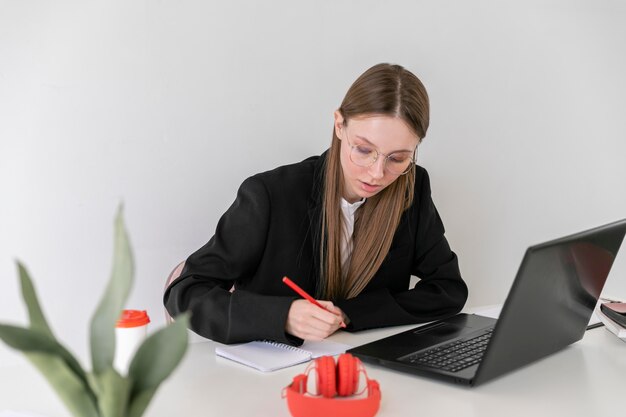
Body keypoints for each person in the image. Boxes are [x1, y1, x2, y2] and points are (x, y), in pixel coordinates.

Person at [164, 63, 468, 345]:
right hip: (267, 378)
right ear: (339, 125)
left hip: (367, 369)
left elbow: (448, 289)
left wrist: (349, 313)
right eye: (364, 150)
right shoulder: (269, 195)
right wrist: (283, 316)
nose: (377, 173)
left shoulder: (411, 188)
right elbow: (185, 292)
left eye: (398, 158)